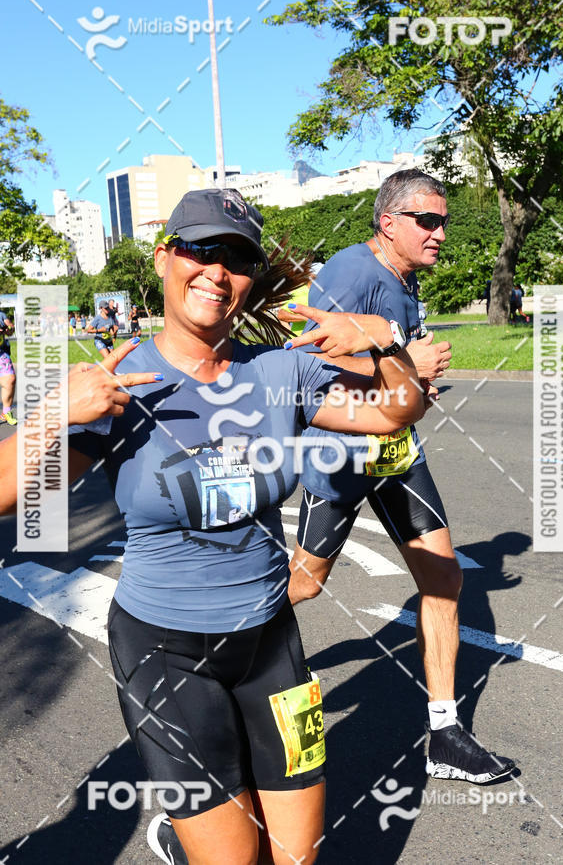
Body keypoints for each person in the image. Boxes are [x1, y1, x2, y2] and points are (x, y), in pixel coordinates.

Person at [0, 188, 424, 865]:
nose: (217, 271)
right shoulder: (119, 384)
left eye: (237, 257)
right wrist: (55, 414)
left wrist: (386, 342)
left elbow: (396, 412)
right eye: (200, 249)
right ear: (166, 258)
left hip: (270, 642)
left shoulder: (281, 372)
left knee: (298, 856)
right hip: (164, 654)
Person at [281, 169, 515, 784]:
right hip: (344, 455)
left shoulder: (405, 281)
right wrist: (399, 359)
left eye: (443, 221)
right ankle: (217, 660)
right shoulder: (353, 271)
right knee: (303, 587)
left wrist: (412, 383)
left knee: (443, 579)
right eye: (427, 221)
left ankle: (444, 733)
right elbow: (303, 362)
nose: (439, 233)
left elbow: (390, 373)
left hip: (397, 455)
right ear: (389, 224)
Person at [0, 308, 17, 425]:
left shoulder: (1, 315)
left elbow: (10, 330)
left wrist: (8, 328)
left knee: (9, 379)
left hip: (1, 352)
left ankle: (6, 412)